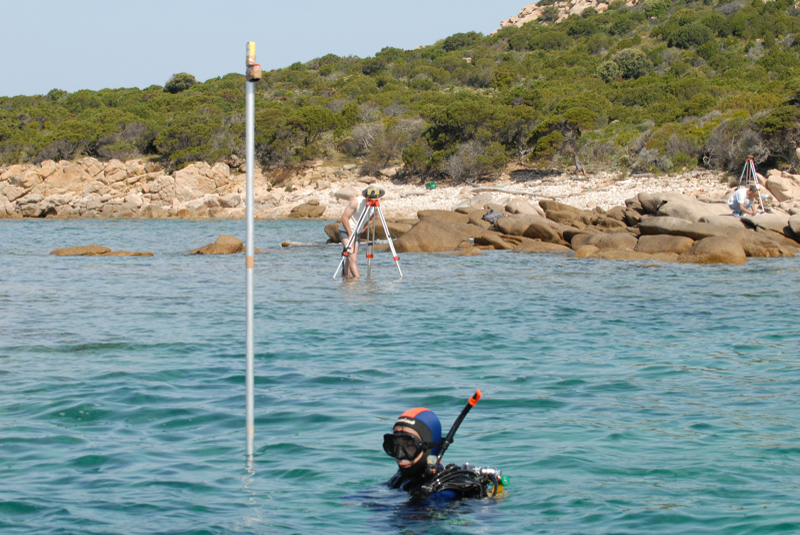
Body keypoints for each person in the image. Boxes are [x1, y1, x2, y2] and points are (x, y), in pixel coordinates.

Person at [383, 406, 505, 501]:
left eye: (409, 446)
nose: (400, 455)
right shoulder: (401, 478)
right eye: (394, 445)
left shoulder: (445, 492)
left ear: (429, 447)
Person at [339, 189, 374, 278]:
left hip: (357, 233)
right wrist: (350, 232)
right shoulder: (356, 202)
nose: (371, 199)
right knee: (352, 257)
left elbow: (374, 217)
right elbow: (344, 217)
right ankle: (357, 278)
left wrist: (364, 227)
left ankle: (346, 279)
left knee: (350, 259)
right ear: (366, 196)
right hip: (346, 231)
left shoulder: (374, 206)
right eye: (369, 197)